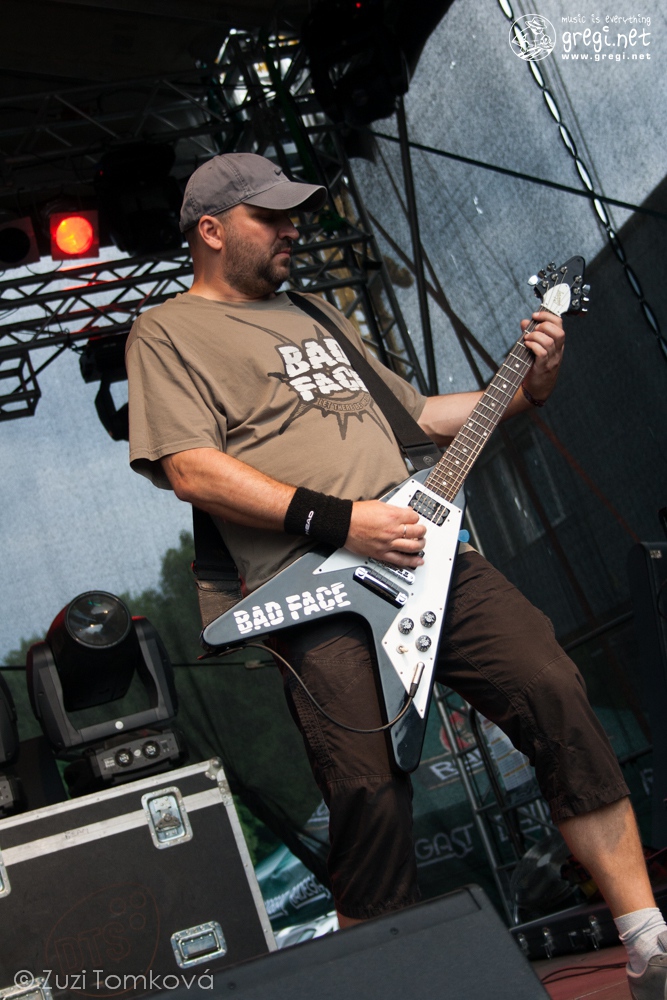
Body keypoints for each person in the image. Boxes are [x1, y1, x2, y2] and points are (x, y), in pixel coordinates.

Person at [126, 152, 666, 998]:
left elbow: (417, 416)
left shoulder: (315, 311)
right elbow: (190, 467)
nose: (292, 228)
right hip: (313, 585)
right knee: (367, 788)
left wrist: (530, 384)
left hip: (429, 556)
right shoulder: (167, 332)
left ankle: (645, 941)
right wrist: (341, 520)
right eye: (270, 216)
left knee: (550, 686)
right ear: (211, 230)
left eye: (294, 213)